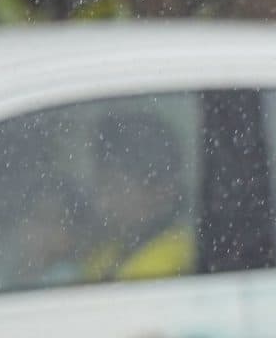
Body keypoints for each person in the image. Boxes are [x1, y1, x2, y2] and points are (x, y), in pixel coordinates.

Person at [78, 111, 196, 282]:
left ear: (161, 190)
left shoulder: (168, 262)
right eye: (101, 188)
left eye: (115, 188)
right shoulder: (118, 249)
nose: (103, 203)